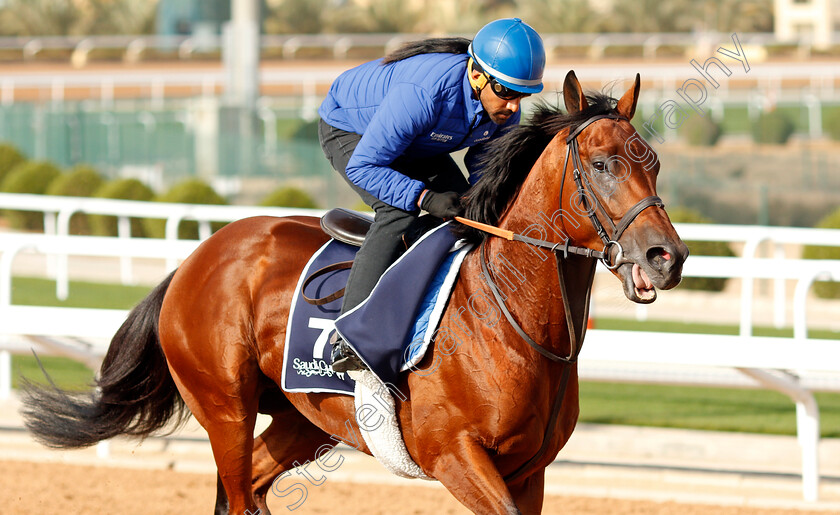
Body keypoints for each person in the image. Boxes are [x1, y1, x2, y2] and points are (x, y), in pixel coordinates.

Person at [317, 18, 546, 372]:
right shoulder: (424, 92)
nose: (515, 106)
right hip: (352, 132)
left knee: (472, 211)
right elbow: (365, 167)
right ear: (476, 75)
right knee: (398, 212)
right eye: (506, 92)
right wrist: (424, 198)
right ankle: (349, 336)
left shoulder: (503, 108)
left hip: (416, 139)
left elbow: (485, 172)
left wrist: (478, 201)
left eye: (523, 96)